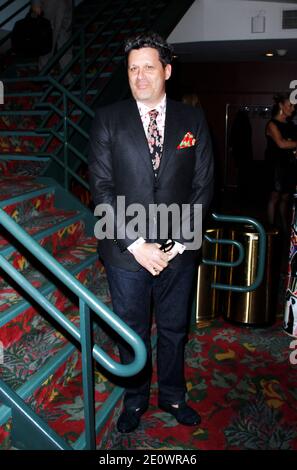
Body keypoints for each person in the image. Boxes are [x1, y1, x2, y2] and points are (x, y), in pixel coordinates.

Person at [88, 32, 214, 433]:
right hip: (126, 252)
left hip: (179, 249)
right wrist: (137, 244)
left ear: (167, 70)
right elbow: (101, 189)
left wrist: (178, 243)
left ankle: (174, 395)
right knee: (132, 330)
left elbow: (203, 185)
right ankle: (135, 399)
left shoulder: (192, 119)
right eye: (132, 69)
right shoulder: (108, 118)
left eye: (149, 67)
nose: (140, 76)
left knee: (176, 328)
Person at [265, 93, 297, 232]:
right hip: (276, 165)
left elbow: (292, 144)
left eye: (294, 106)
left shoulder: (290, 125)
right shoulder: (272, 124)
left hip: (289, 164)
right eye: (290, 105)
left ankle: (284, 227)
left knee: (285, 197)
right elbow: (282, 144)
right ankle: (270, 229)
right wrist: (292, 143)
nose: (293, 109)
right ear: (281, 106)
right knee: (275, 196)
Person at [31, 0, 73, 84]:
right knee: (47, 44)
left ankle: (68, 79)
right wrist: (36, 4)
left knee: (65, 46)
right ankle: (44, 76)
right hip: (49, 9)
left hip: (65, 9)